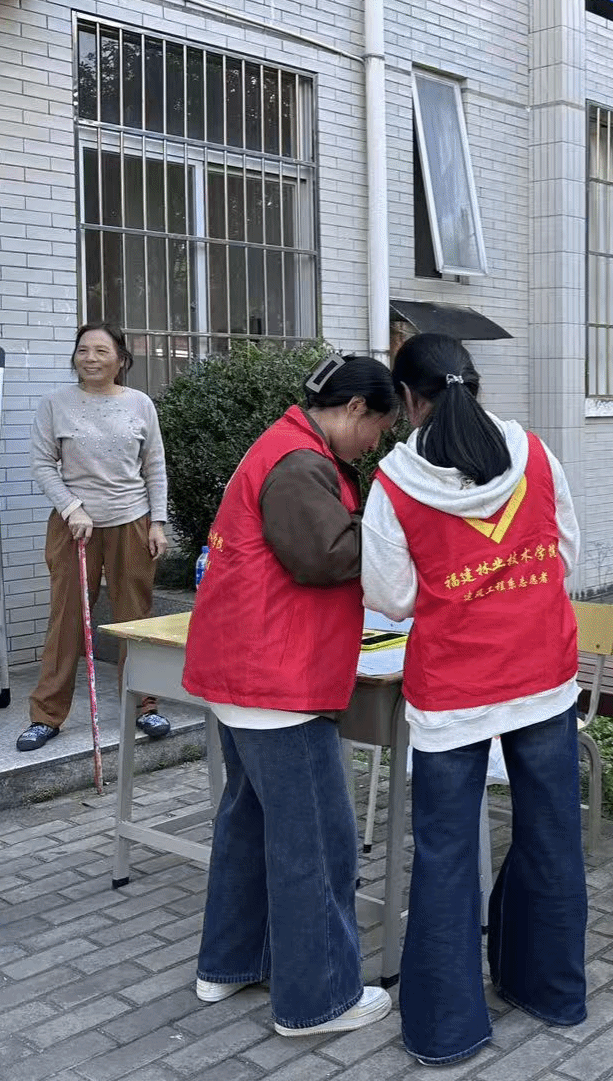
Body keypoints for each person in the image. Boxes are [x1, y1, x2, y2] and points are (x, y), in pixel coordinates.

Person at [362, 333, 586, 1065]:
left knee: (447, 854)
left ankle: (447, 1028)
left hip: (452, 692)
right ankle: (551, 991)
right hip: (543, 677)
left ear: (407, 400)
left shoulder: (396, 483)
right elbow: (565, 553)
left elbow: (391, 597)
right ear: (475, 382)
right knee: (551, 836)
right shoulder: (535, 456)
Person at [181, 354, 398, 1037]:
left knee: (249, 826)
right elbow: (326, 556)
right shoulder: (302, 464)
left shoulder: (284, 445)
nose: (376, 445)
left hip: (244, 672)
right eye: (378, 430)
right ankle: (318, 1000)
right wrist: (395, 530)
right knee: (317, 843)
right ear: (356, 408)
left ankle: (230, 963)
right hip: (277, 679)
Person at [20, 322, 170, 751]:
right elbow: (42, 464)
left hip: (132, 521)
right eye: (83, 350)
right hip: (73, 528)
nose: (90, 358)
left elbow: (154, 465)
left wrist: (158, 522)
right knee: (66, 620)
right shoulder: (55, 404)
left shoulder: (140, 404)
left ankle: (144, 705)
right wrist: (72, 507)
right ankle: (46, 715)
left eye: (101, 351)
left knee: (135, 619)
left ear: (121, 359)